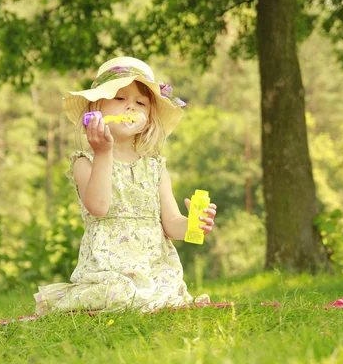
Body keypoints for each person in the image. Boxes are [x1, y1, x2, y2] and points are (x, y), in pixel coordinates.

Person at [34, 57, 217, 315]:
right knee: (119, 294)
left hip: (153, 267)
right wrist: (103, 152)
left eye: (140, 102)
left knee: (163, 293)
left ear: (149, 118)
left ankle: (149, 297)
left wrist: (192, 224)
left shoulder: (155, 168)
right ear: (96, 107)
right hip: (108, 269)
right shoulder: (85, 162)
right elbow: (98, 206)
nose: (130, 106)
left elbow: (171, 222)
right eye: (119, 98)